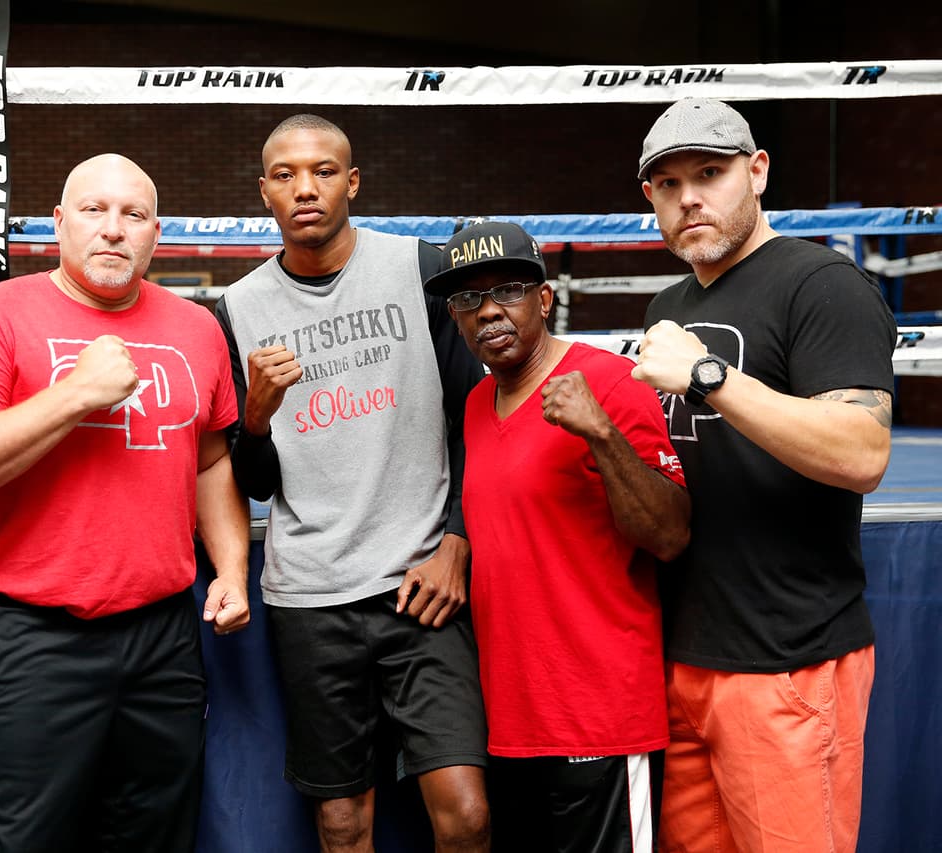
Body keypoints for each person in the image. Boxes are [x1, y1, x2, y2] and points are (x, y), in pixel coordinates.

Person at [0, 152, 250, 853]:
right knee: (21, 840)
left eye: (133, 214)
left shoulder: (198, 327)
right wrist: (75, 393)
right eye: (94, 210)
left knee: (155, 836)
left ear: (155, 233)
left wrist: (230, 568)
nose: (113, 229)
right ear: (59, 222)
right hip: (35, 633)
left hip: (163, 633)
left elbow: (212, 460)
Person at [214, 114, 490, 852]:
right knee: (342, 823)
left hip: (421, 583)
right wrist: (256, 418)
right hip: (311, 595)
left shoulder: (421, 268)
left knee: (467, 814)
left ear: (353, 182)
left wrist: (457, 540)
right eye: (286, 175)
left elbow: (477, 420)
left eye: (324, 171)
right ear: (265, 192)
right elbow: (257, 483)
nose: (305, 188)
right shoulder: (237, 310)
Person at [630, 98, 896, 853]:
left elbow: (862, 454)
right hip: (684, 660)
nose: (690, 198)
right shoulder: (668, 305)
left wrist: (708, 374)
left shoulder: (821, 283)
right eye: (669, 184)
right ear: (650, 197)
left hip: (789, 659)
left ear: (757, 172)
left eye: (709, 174)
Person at [422, 219, 690, 851]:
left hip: (599, 721)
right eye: (468, 298)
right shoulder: (477, 404)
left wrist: (601, 433)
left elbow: (671, 534)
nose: (488, 310)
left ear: (544, 299)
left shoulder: (611, 381)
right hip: (512, 725)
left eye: (508, 290)